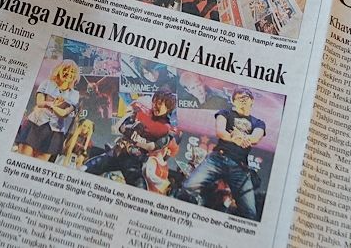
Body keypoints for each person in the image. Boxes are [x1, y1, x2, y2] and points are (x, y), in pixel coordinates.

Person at [178, 88, 264, 220]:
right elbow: (220, 132)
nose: (243, 101)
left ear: (252, 101)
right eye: (239, 98)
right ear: (233, 101)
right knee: (188, 187)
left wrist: (239, 135)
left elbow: (255, 138)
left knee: (250, 213)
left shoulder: (258, 122)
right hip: (218, 159)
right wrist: (237, 139)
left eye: (246, 98)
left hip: (240, 167)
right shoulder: (225, 113)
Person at [84, 89, 177, 188]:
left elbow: (153, 146)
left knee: (139, 187)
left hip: (134, 161)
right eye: (154, 101)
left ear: (168, 107)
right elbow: (122, 127)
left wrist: (139, 141)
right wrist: (131, 130)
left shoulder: (168, 129)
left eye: (159, 103)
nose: (155, 105)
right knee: (88, 167)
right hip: (118, 152)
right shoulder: (141, 109)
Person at [16, 61, 81, 160]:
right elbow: (39, 102)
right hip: (35, 125)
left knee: (39, 164)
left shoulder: (74, 94)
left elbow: (64, 113)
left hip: (55, 132)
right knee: (22, 158)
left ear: (75, 76)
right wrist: (54, 104)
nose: (68, 73)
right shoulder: (46, 83)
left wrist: (52, 106)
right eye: (65, 70)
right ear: (59, 70)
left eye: (72, 72)